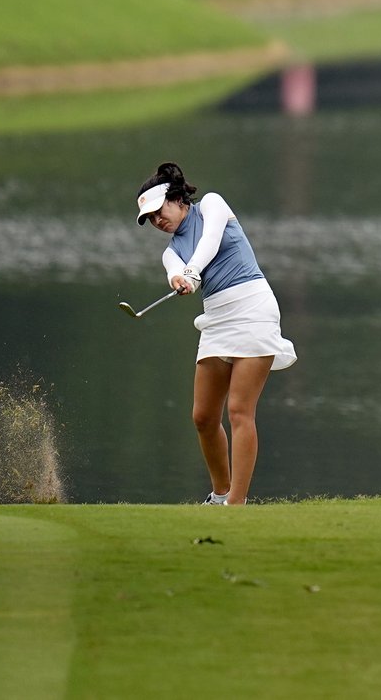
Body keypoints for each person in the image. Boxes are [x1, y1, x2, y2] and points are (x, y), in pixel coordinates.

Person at [135, 162, 296, 506]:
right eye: (149, 219)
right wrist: (180, 279)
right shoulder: (171, 250)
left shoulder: (212, 204)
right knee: (204, 416)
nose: (157, 221)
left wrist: (193, 271)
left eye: (158, 211)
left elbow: (209, 240)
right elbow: (173, 270)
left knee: (239, 410)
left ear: (178, 199)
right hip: (217, 318)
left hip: (253, 308)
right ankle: (220, 494)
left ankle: (237, 503)